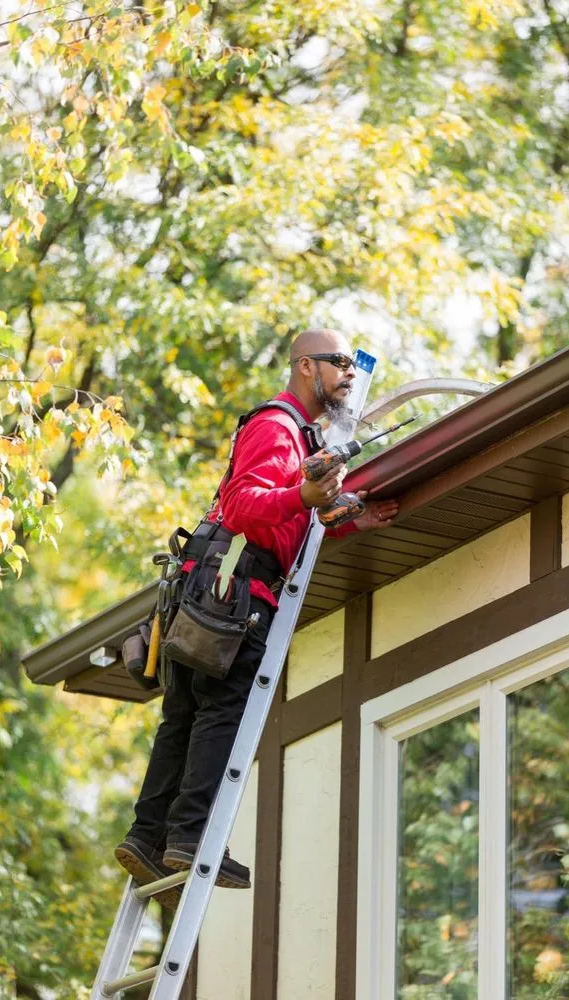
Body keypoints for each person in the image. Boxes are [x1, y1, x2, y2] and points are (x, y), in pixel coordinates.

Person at [114, 328, 398, 904]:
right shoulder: (279, 426)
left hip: (212, 586)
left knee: (186, 712)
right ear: (303, 367)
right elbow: (248, 507)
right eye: (337, 362)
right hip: (235, 591)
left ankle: (147, 836)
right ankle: (191, 838)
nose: (348, 373)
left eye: (351, 364)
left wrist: (341, 518)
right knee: (221, 709)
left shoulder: (298, 436)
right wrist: (305, 498)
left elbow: (288, 515)